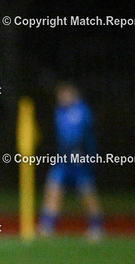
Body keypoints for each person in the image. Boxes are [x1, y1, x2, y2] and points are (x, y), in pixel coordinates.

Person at [38, 82, 103, 240]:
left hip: (79, 158)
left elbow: (82, 135)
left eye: (64, 95)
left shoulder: (82, 111)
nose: (61, 98)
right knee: (52, 188)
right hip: (63, 158)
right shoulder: (59, 112)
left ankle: (96, 226)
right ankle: (47, 225)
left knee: (87, 192)